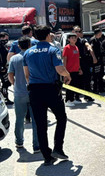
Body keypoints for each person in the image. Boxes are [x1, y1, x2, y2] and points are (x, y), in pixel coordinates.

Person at [23, 25, 71, 166]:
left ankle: (47, 156)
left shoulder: (28, 52)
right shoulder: (52, 49)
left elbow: (27, 75)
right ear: (48, 35)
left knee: (40, 124)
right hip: (50, 89)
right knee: (61, 117)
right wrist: (67, 75)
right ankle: (58, 148)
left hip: (34, 90)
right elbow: (60, 69)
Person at [8, 36, 39, 153]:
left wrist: (15, 84)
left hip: (19, 92)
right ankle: (36, 145)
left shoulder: (14, 59)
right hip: (34, 92)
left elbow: (10, 75)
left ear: (19, 46)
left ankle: (19, 141)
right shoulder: (33, 56)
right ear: (30, 44)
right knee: (36, 119)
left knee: (19, 119)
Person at [73, 26, 96, 102]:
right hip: (75, 63)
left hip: (84, 62)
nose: (80, 33)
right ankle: (76, 96)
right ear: (73, 32)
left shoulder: (82, 40)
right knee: (77, 81)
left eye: (80, 31)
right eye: (78, 31)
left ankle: (87, 96)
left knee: (87, 79)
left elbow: (87, 44)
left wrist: (92, 54)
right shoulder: (71, 42)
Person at [62, 34, 82, 106]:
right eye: (72, 38)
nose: (74, 39)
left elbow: (77, 59)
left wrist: (79, 68)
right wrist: (64, 71)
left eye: (75, 38)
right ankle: (67, 100)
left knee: (75, 85)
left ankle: (72, 99)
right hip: (69, 70)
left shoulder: (76, 47)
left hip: (75, 69)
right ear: (69, 39)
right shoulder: (66, 48)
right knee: (69, 85)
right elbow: (65, 59)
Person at [89, 29, 105, 94]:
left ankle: (101, 88)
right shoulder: (93, 40)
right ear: (98, 33)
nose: (101, 33)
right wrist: (94, 58)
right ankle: (95, 89)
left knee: (100, 74)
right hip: (95, 60)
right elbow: (91, 49)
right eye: (100, 32)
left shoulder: (99, 39)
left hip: (100, 60)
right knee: (95, 75)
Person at [0, 32, 12, 104]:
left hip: (4, 67)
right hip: (2, 69)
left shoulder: (3, 46)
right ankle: (5, 98)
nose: (6, 41)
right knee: (5, 83)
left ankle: (5, 97)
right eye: (5, 39)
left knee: (6, 83)